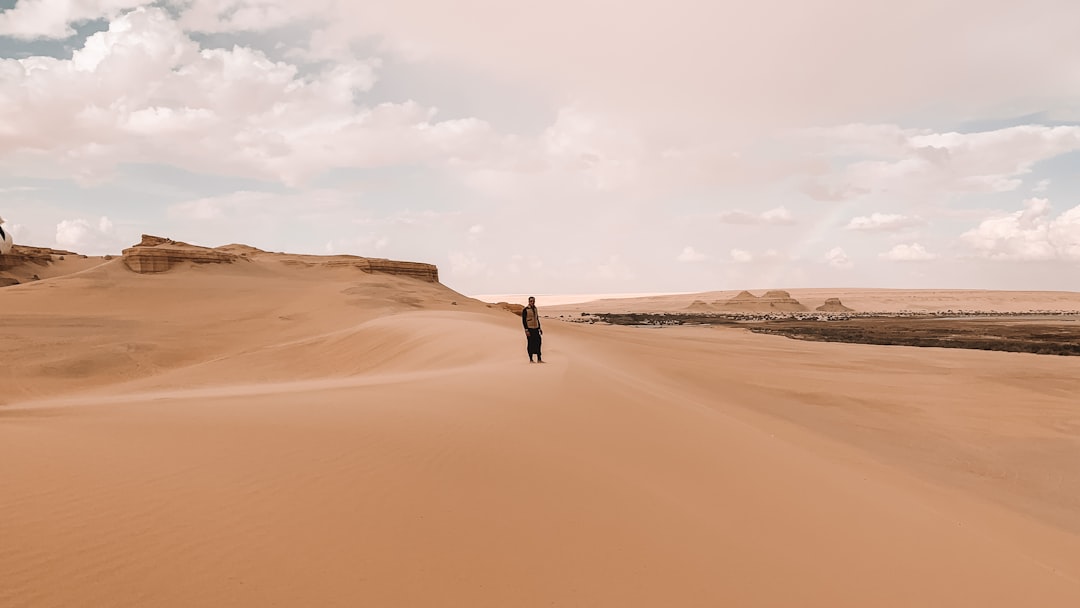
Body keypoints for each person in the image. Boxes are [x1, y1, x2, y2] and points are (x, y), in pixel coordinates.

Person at [521, 296, 543, 363]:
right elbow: (524, 321)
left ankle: (539, 359)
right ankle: (531, 359)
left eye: (533, 301)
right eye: (531, 301)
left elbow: (537, 319)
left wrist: (539, 328)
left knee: (538, 342)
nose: (532, 302)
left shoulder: (535, 309)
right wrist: (526, 330)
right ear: (528, 301)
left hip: (536, 328)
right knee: (530, 343)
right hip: (530, 329)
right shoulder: (525, 310)